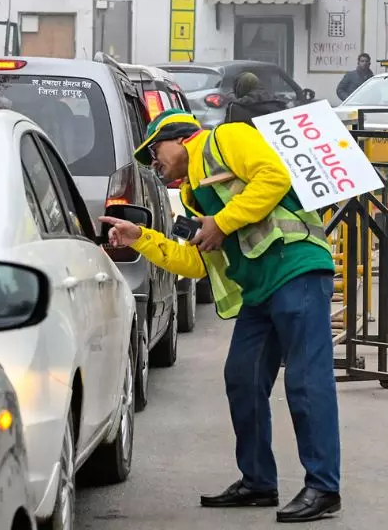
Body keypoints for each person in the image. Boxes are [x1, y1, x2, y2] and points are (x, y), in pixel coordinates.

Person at [100, 109, 342, 523]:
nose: (153, 163)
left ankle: (323, 487)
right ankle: (258, 482)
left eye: (154, 150)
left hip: (296, 266)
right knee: (242, 378)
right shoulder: (196, 194)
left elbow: (274, 177)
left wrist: (222, 223)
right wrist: (141, 239)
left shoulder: (224, 138)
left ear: (178, 138)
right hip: (260, 289)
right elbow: (196, 263)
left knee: (306, 379)